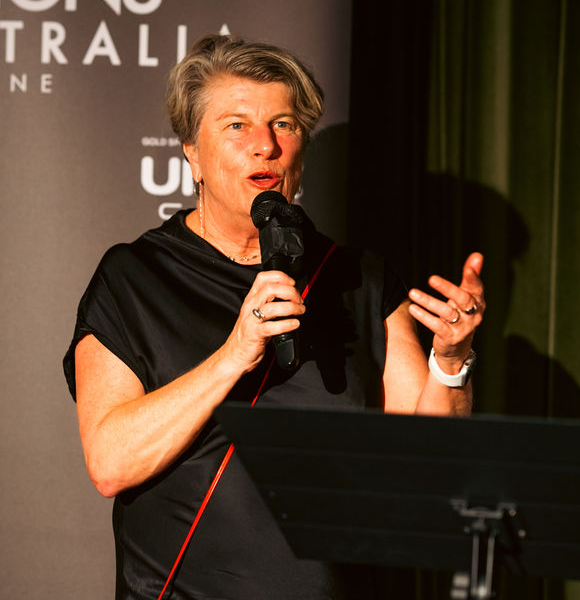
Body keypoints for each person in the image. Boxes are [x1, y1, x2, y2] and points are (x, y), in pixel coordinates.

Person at [63, 34, 485, 599]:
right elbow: (110, 463)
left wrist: (451, 362)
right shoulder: (134, 277)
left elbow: (427, 468)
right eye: (236, 126)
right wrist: (234, 354)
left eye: (283, 125)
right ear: (192, 153)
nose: (265, 145)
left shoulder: (358, 278)